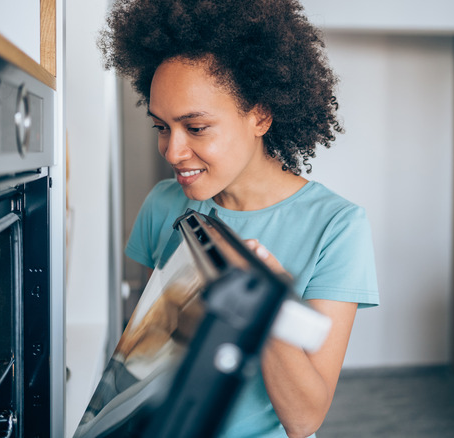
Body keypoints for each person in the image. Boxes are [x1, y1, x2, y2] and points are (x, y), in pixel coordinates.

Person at [99, 1, 379, 437]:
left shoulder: (337, 227)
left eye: (196, 128)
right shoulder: (163, 204)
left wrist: (263, 302)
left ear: (260, 116)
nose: (172, 152)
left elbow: (305, 419)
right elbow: (148, 348)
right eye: (161, 127)